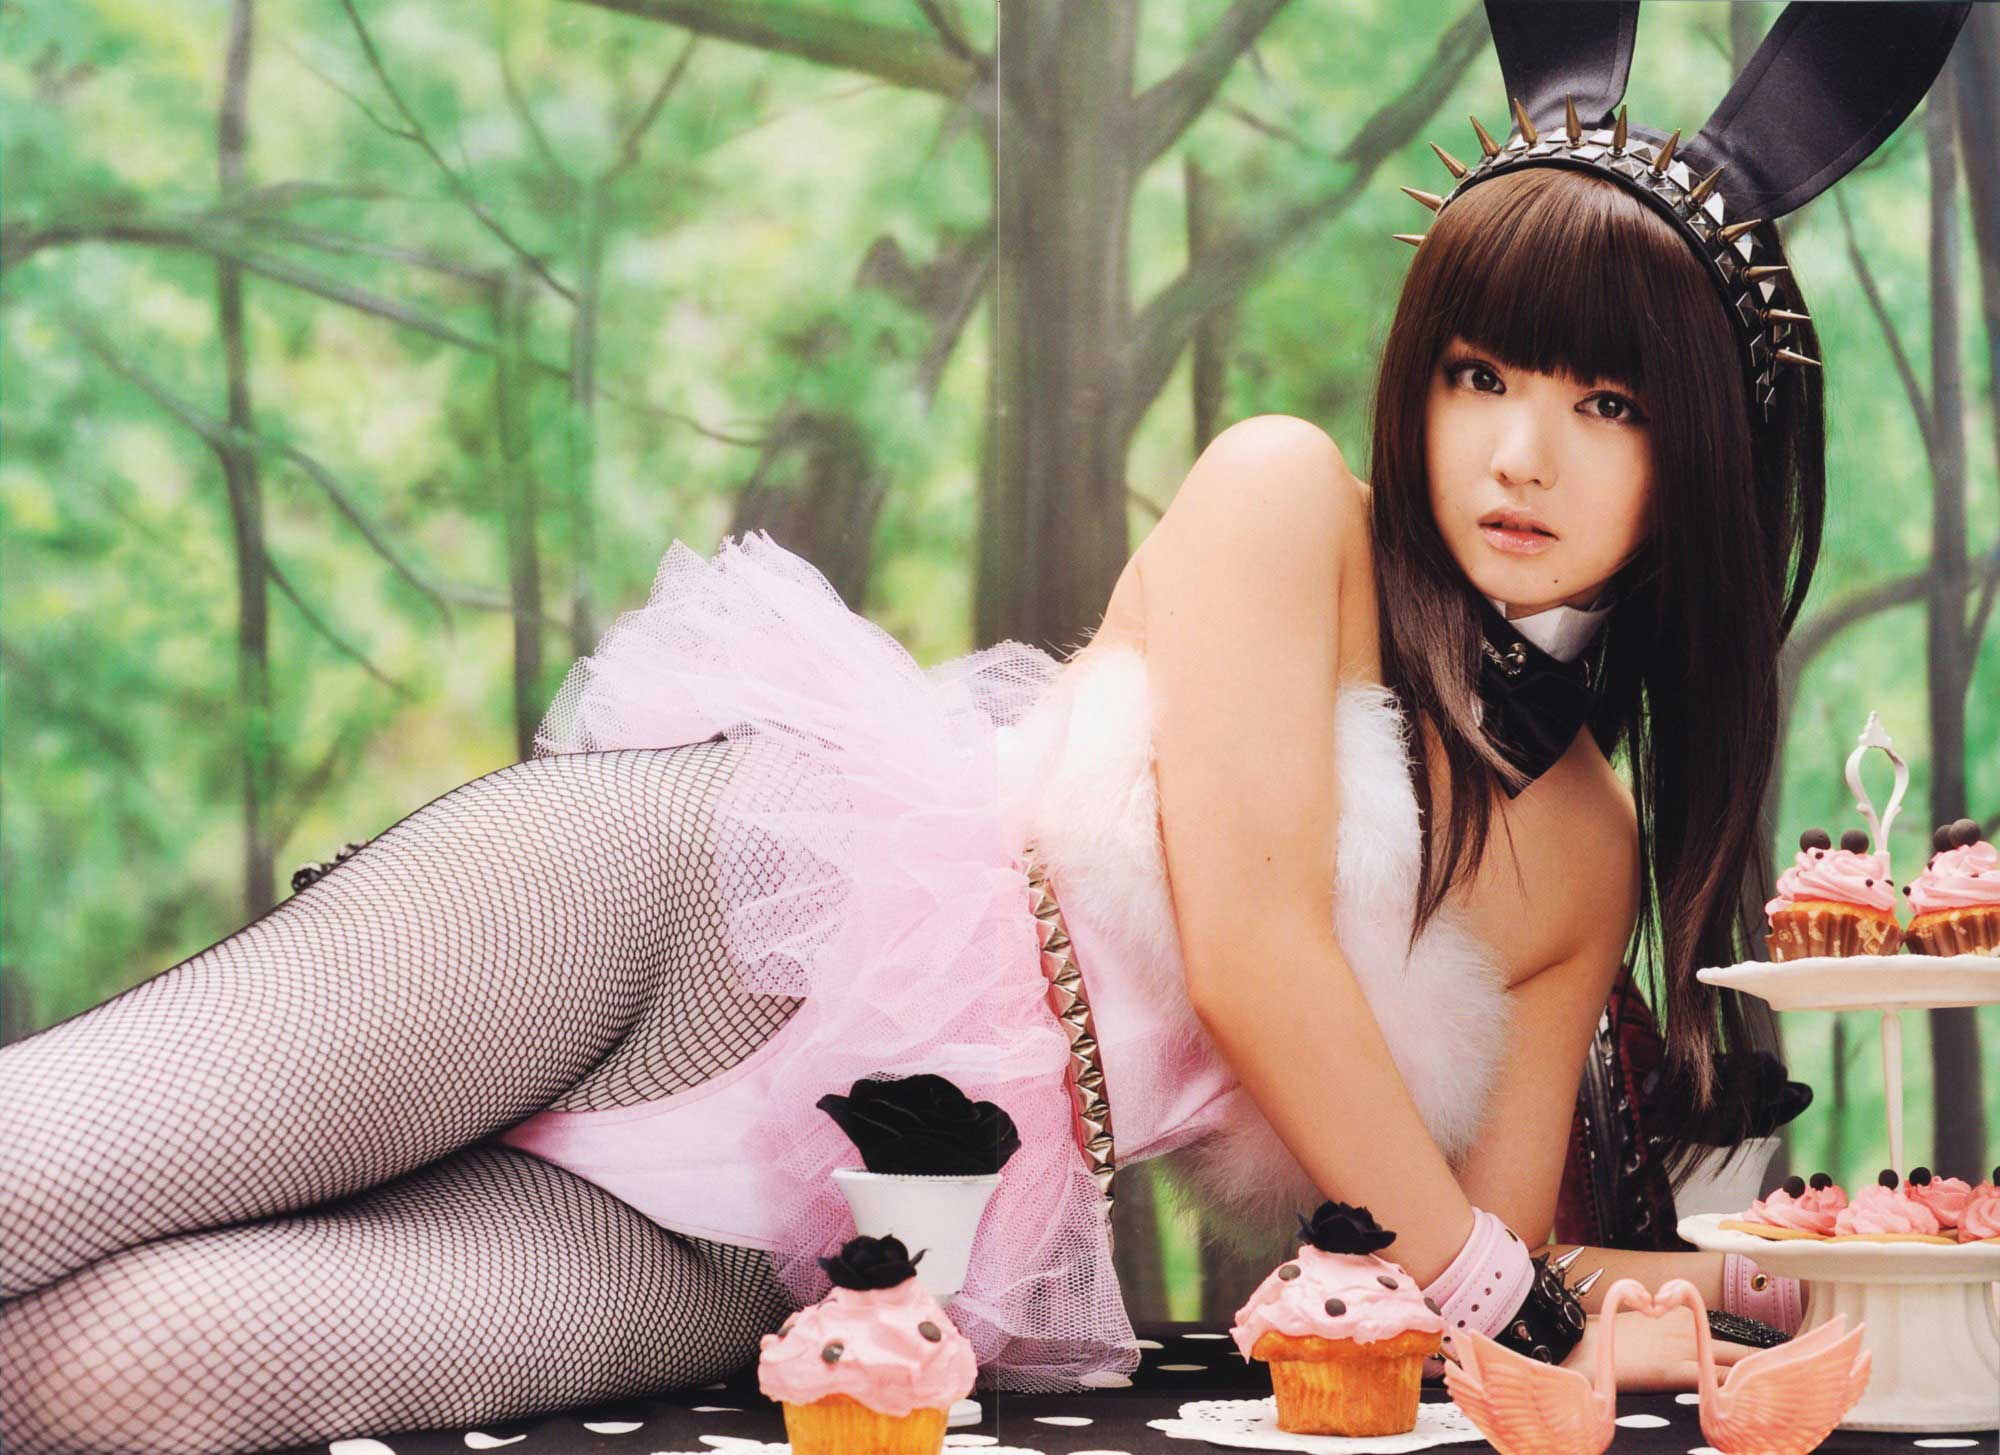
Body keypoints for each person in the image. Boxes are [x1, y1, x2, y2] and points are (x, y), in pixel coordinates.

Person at [0, 3, 1969, 1451]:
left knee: (121, 1373)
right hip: (692, 904)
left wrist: (1792, 1276)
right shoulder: (1286, 500)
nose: (1523, 451)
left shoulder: (1586, 850)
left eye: (1608, 403)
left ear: (1707, 450)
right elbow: (1258, 955)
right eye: (1480, 374)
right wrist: (1505, 1289)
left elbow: (1488, 1251)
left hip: (826, 1225)